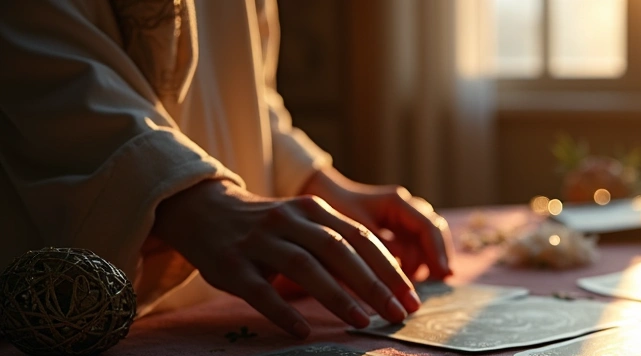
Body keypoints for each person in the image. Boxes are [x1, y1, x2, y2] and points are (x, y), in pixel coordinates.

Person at [0, 0, 451, 338]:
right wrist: (188, 199)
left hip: (220, 305)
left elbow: (243, 85)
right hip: (57, 315)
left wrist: (313, 180)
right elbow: (36, 55)